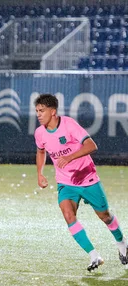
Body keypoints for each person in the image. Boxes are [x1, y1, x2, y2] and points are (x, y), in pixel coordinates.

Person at [35, 93, 127, 271]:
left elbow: (92, 145)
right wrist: (39, 173)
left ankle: (122, 243)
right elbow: (40, 151)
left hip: (88, 178)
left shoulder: (68, 125)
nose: (38, 114)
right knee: (68, 215)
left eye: (42, 110)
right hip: (66, 183)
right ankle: (94, 256)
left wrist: (69, 157)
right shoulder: (40, 133)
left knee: (105, 216)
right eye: (37, 111)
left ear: (53, 112)